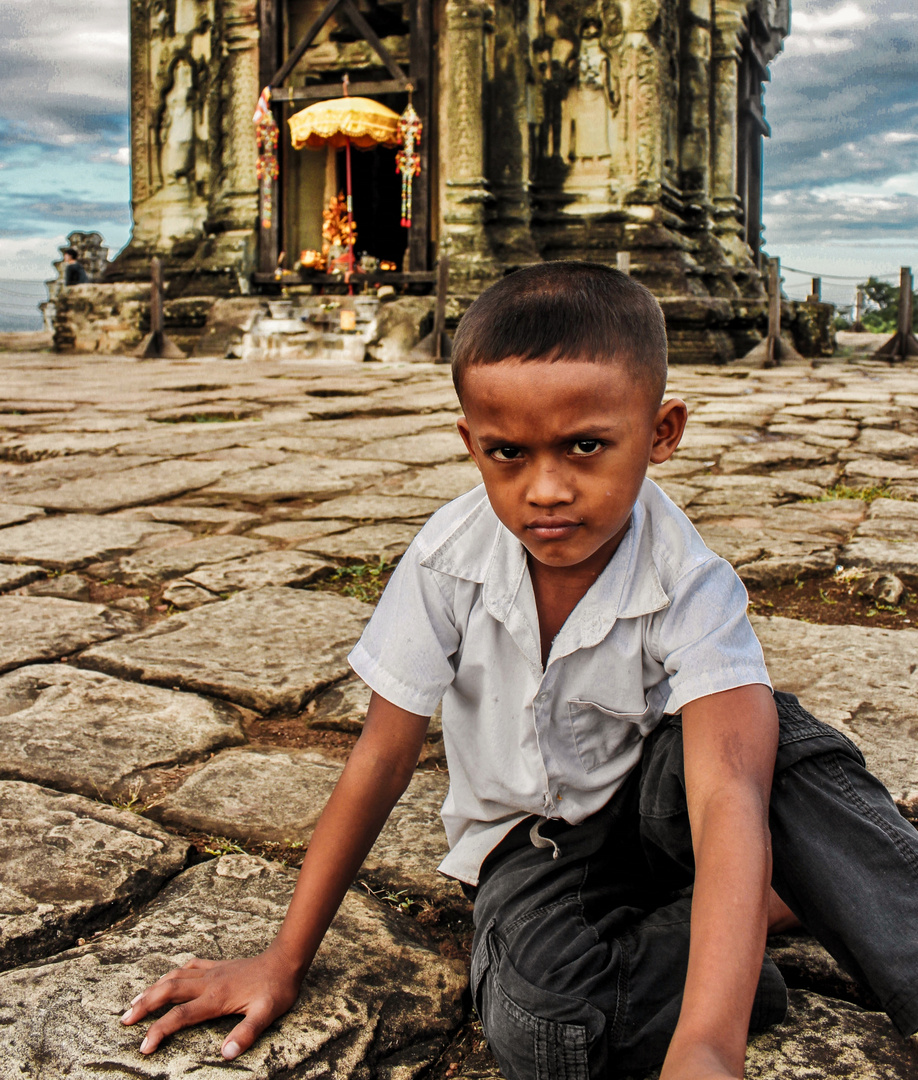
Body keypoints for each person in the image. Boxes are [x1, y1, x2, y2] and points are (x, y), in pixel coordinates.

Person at [121, 262, 918, 1077]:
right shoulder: (447, 561)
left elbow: (724, 788)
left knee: (771, 743)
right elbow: (381, 757)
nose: (545, 490)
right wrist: (281, 961)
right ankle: (766, 909)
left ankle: (827, 923)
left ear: (662, 433)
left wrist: (706, 1048)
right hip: (532, 850)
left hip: (663, 812)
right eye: (507, 453)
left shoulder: (687, 576)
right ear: (471, 444)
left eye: (586, 447)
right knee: (543, 1029)